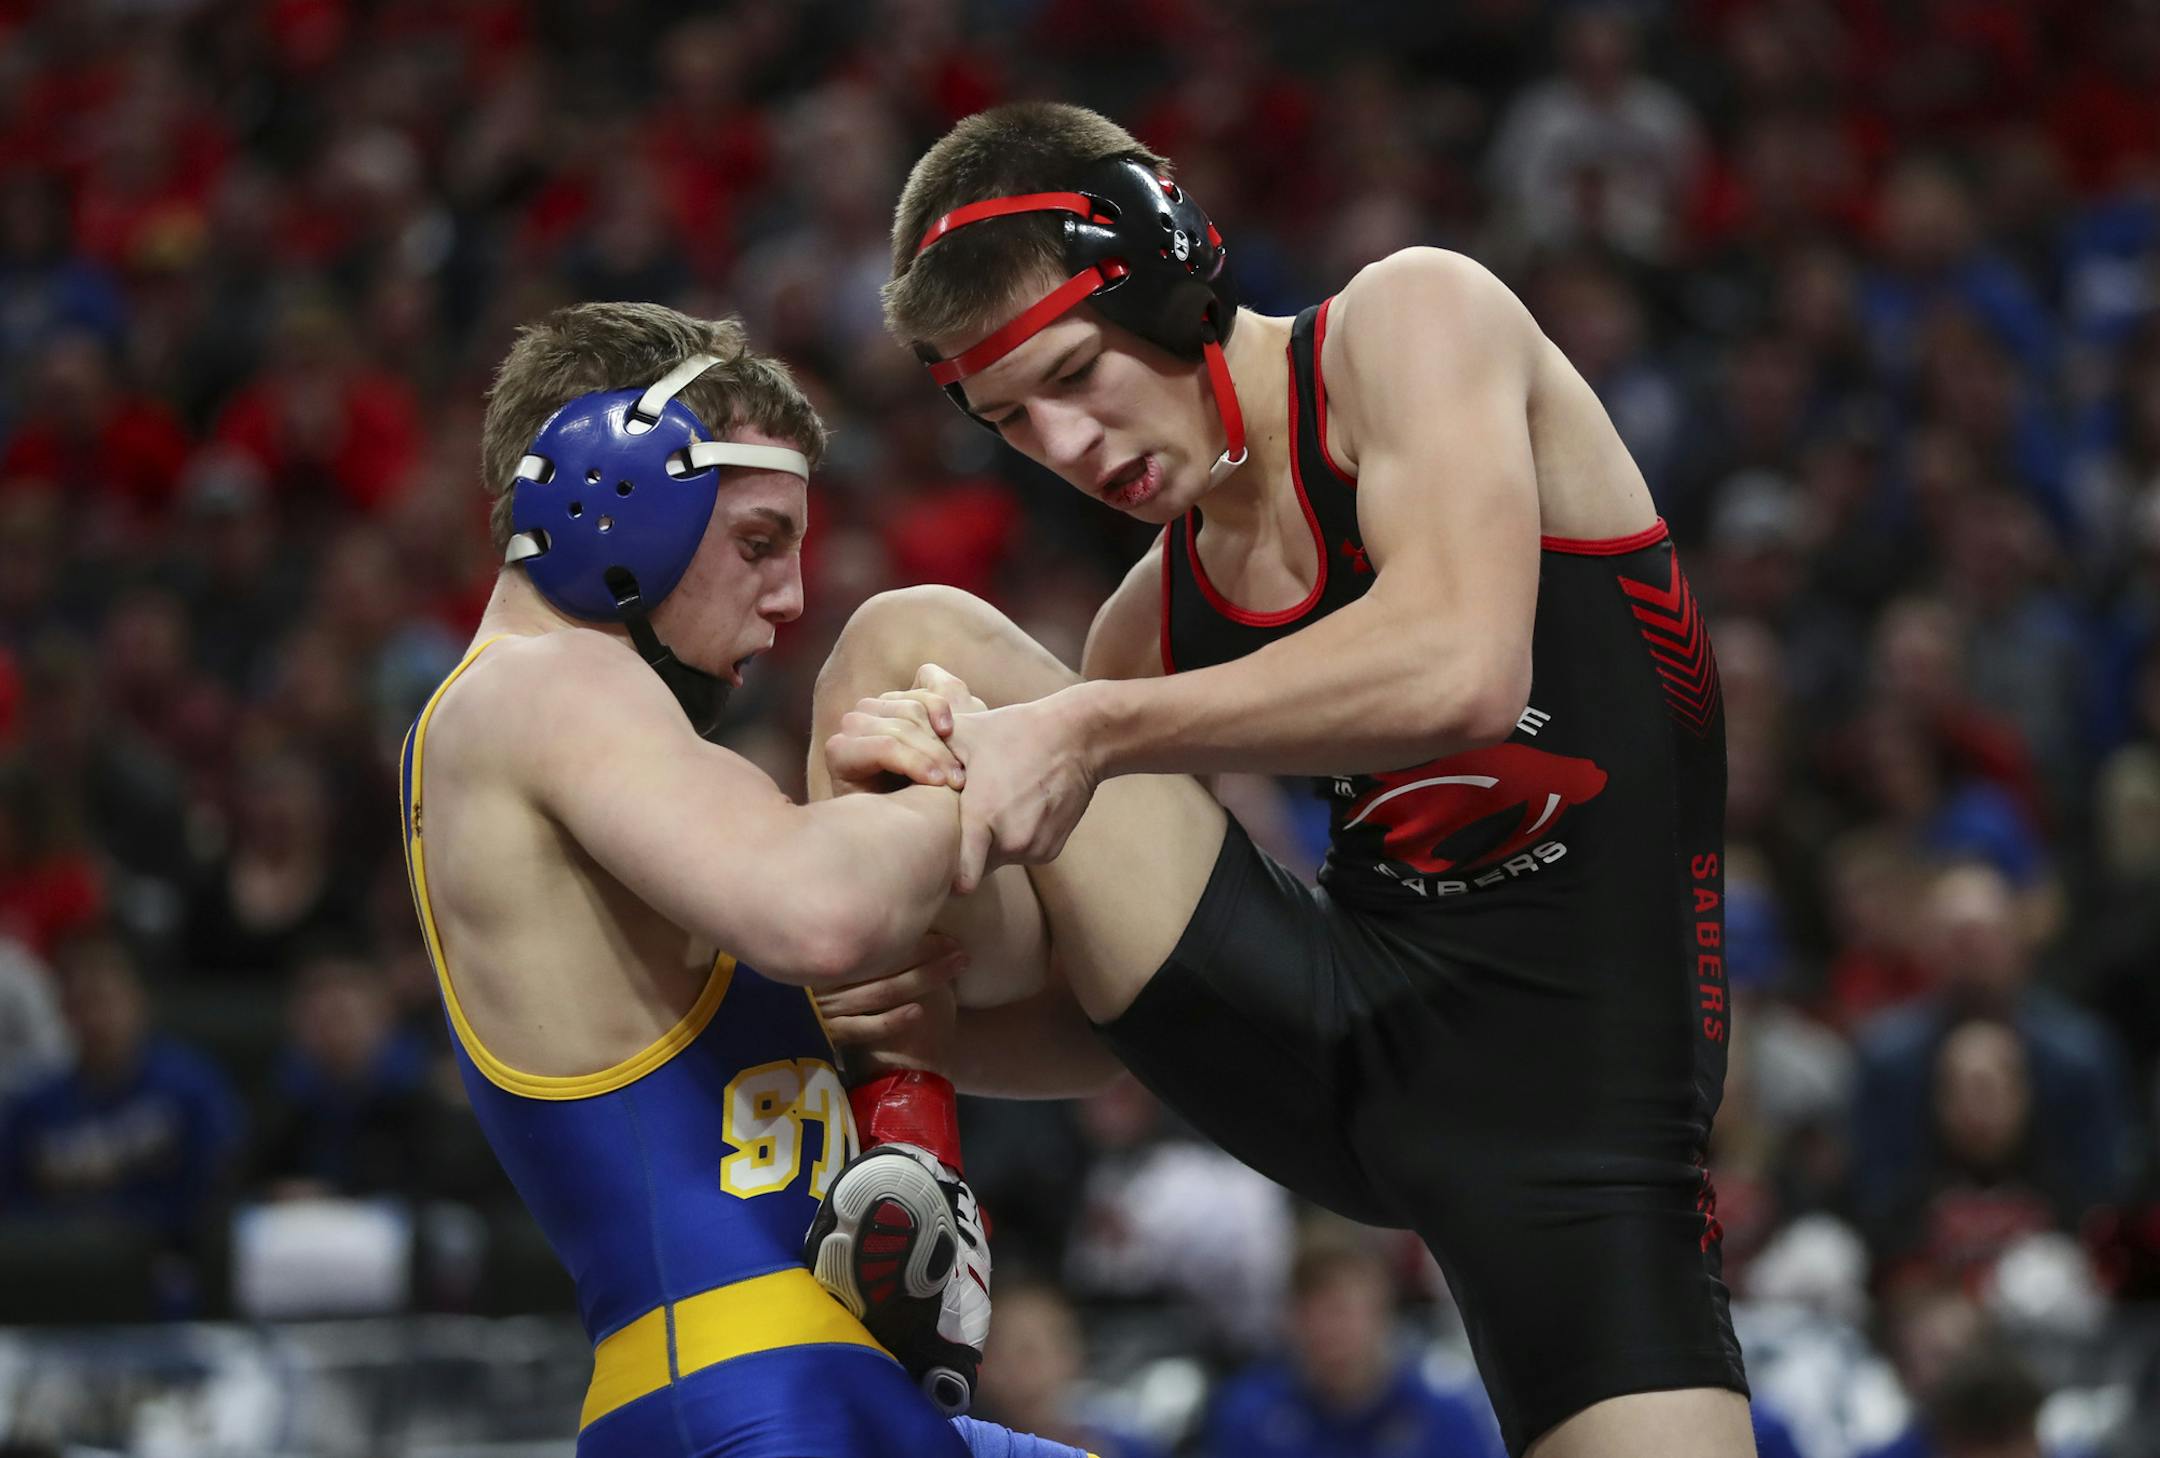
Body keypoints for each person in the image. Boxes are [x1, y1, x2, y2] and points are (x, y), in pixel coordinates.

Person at [807, 101, 1752, 1458]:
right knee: (904, 650)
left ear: (1176, 263)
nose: (1066, 447)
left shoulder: (1411, 325)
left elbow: (1462, 667)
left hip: (1587, 1147)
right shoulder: (1149, 628)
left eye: (1076, 374)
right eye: (1012, 420)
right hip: (1343, 1044)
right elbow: (1106, 1012)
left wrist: (1084, 733)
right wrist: (915, 1003)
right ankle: (902, 1161)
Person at [396, 299, 1084, 1458]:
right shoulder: (545, 686)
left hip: (789, 1392)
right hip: (759, 1398)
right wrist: (974, 775)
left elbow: (1071, 1038)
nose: (792, 597)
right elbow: (819, 911)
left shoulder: (618, 770)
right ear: (612, 494)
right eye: (760, 541)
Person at [1205, 1232, 1503, 1458]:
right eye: (1312, 1313)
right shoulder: (1250, 1412)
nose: (1328, 1330)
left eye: (1341, 1311)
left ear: (1381, 1313)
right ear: (1290, 1322)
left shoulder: (1445, 1410)